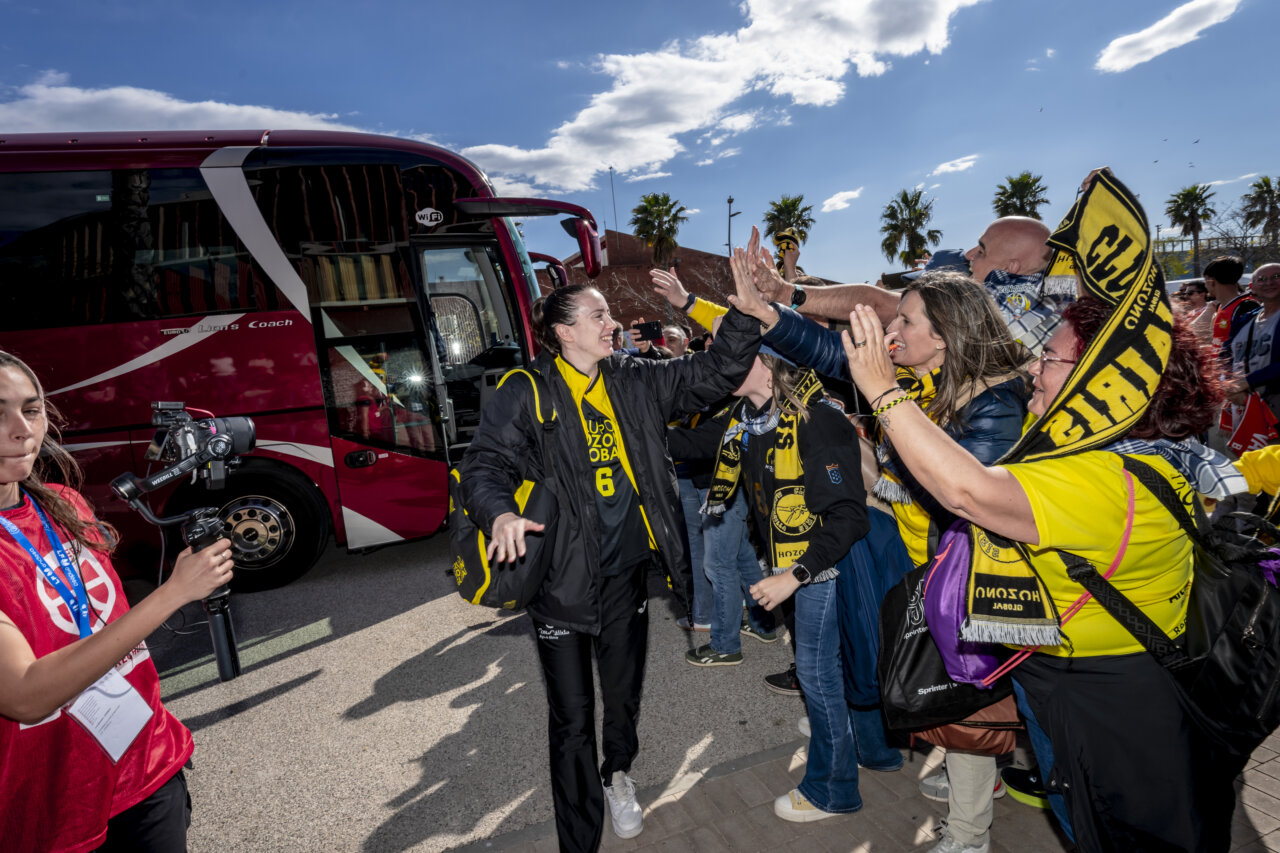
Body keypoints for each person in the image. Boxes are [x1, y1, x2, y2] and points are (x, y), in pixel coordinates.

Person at [841, 290, 1238, 850]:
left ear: (1104, 381)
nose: (1034, 367)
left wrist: (881, 391)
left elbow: (967, 491)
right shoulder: (1129, 452)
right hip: (1103, 678)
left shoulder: (1100, 479)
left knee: (1111, 825)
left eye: (1050, 358)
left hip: (1105, 698)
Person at [454, 283, 762, 851]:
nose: (612, 322)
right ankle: (579, 839)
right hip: (560, 579)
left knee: (621, 695)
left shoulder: (634, 377)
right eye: (599, 314)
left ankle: (618, 773)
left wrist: (742, 311)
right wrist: (498, 514)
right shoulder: (524, 390)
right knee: (571, 718)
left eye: (610, 313)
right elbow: (484, 465)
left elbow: (718, 371)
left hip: (627, 572)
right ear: (564, 332)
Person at [735, 270, 1032, 852]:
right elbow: (832, 351)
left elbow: (960, 494)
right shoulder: (932, 378)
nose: (893, 331)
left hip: (978, 572)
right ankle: (978, 781)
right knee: (956, 692)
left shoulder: (995, 402)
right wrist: (768, 312)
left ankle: (970, 834)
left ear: (944, 336)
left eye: (906, 321)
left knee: (972, 695)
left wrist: (883, 424)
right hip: (929, 558)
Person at [0, 351, 234, 852]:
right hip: (55, 806)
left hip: (148, 769)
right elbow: (25, 693)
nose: (20, 429)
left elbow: (101, 623)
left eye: (31, 409)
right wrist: (175, 592)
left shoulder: (65, 503)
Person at [665, 311, 881, 823]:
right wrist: (630, 424)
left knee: (817, 674)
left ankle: (834, 790)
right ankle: (875, 749)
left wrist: (793, 576)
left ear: (766, 362)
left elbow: (849, 518)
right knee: (830, 669)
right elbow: (696, 444)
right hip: (797, 564)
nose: (716, 363)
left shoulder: (817, 419)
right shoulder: (747, 416)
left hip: (820, 566)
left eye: (730, 353)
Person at [755, 216, 1068, 354]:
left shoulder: (986, 305)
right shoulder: (1063, 302)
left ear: (1013, 267)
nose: (970, 255)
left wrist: (785, 293)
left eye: (982, 250)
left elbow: (874, 303)